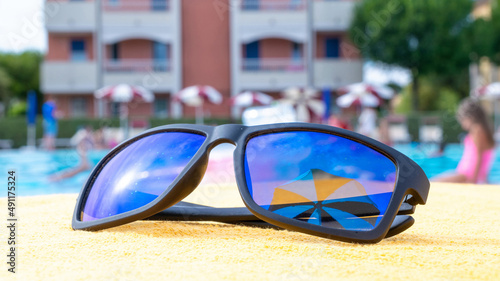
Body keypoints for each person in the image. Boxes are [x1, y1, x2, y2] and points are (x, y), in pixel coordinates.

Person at [434, 99, 496, 184]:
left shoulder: (477, 130)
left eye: (462, 120)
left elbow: (479, 156)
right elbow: (485, 158)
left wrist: (473, 181)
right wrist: (484, 179)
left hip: (467, 174)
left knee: (433, 183)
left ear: (470, 117)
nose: (462, 124)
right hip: (468, 174)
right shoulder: (484, 130)